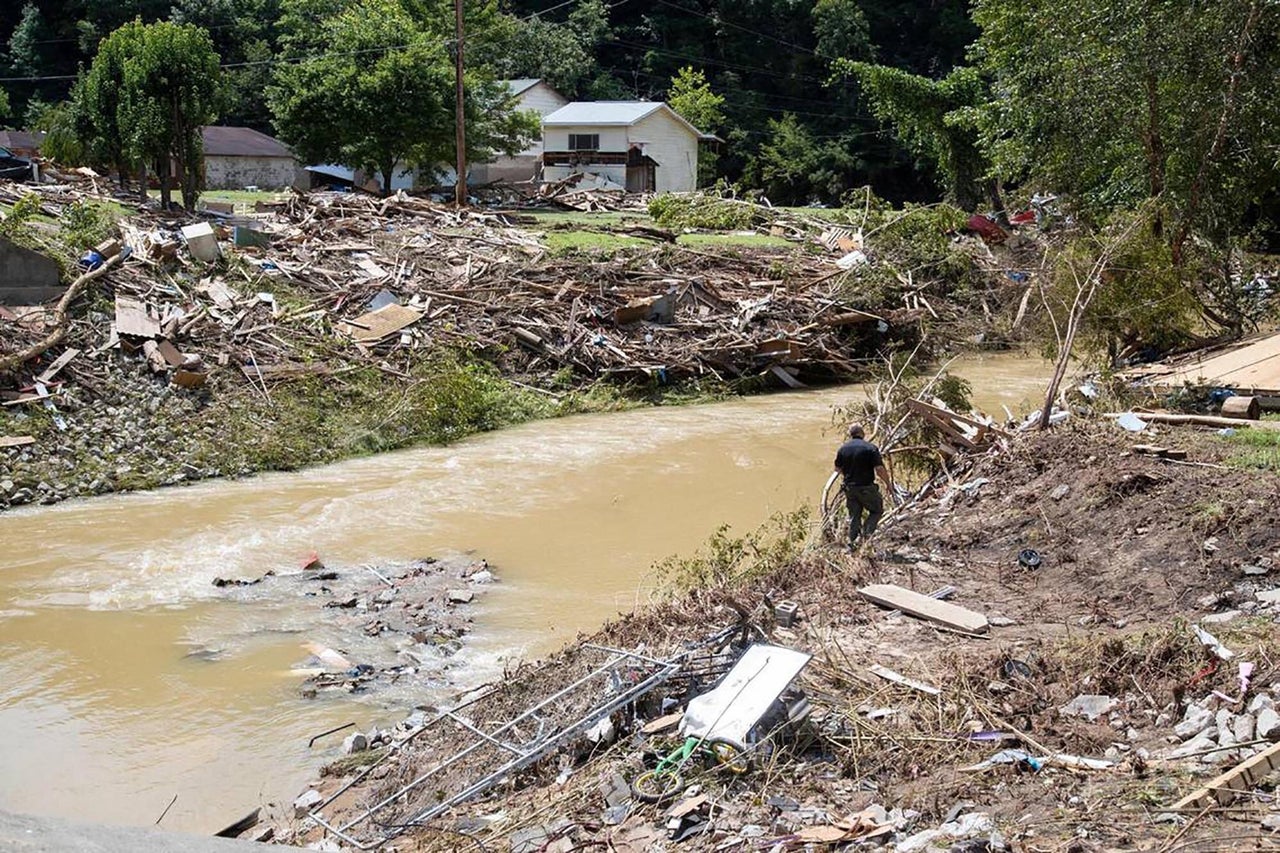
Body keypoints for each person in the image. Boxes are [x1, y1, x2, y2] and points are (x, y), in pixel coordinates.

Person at [833, 423, 893, 549]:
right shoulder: (870, 448)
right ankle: (865, 537)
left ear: (851, 434)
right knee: (877, 511)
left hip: (849, 488)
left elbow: (837, 469)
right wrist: (888, 483)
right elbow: (879, 469)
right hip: (866, 487)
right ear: (862, 433)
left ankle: (852, 544)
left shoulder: (843, 449)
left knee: (854, 516)